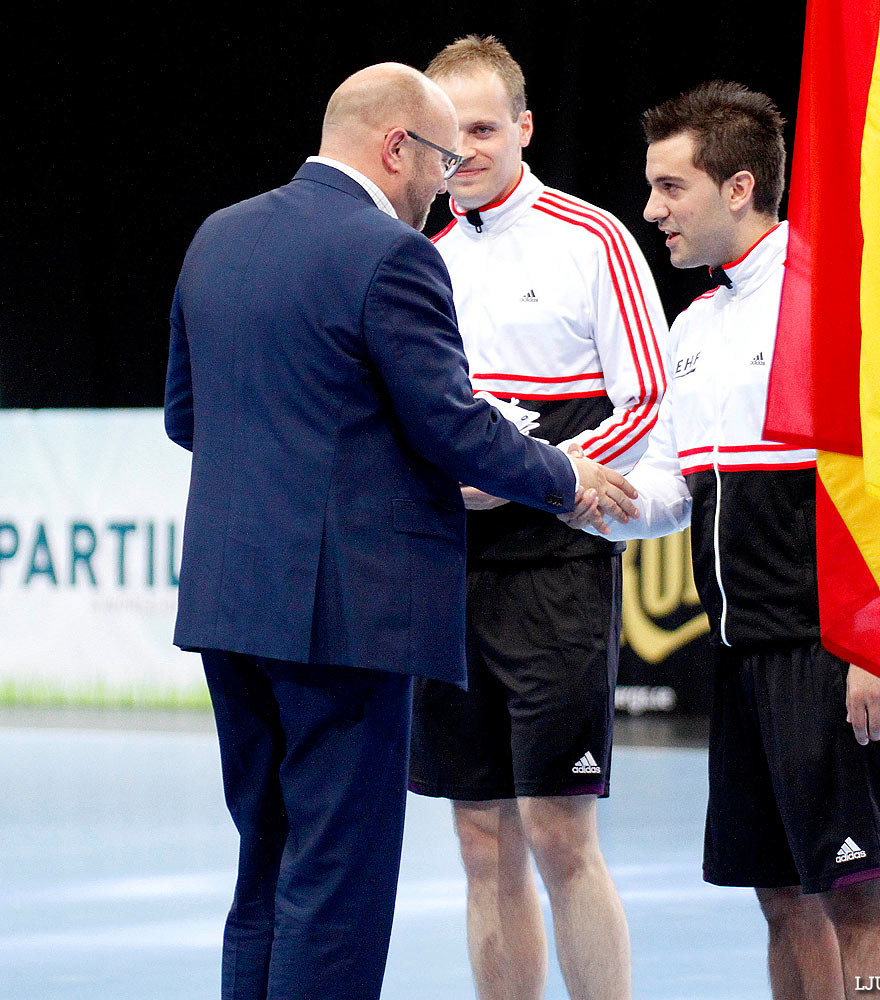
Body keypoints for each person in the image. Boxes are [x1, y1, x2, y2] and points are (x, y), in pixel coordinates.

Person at [164, 61, 637, 1000]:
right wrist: (566, 477)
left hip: (227, 604)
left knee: (265, 865)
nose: (440, 185)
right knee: (336, 883)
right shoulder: (392, 255)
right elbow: (450, 426)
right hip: (343, 617)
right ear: (395, 147)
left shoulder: (218, 236)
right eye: (438, 160)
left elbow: (186, 417)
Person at [582, 81, 880, 999]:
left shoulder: (838, 295)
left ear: (738, 187)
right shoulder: (691, 326)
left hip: (836, 648)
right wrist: (569, 491)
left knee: (858, 895)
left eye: (670, 189)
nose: (651, 210)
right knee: (779, 896)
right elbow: (668, 496)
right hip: (740, 658)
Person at [406, 35, 668, 1000]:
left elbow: (646, 401)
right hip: (447, 573)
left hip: (554, 572)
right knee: (480, 844)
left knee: (558, 832)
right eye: (447, 132)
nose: (463, 150)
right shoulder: (418, 256)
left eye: (483, 127)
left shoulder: (591, 238)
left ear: (522, 128)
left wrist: (532, 476)